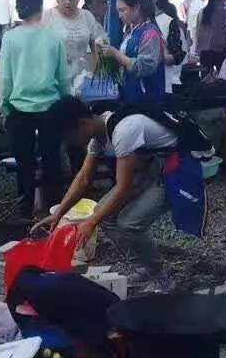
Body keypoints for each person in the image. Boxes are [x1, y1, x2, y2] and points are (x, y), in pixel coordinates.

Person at [40, 97, 181, 287]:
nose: (72, 144)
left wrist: (91, 222)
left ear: (82, 124)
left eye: (70, 138)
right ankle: (144, 268)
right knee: (103, 213)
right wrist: (58, 214)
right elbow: (83, 178)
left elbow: (123, 187)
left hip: (178, 170)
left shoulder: (123, 131)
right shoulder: (99, 135)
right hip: (152, 167)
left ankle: (161, 278)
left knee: (130, 223)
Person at [0, 0, 69, 218]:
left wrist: (4, 106)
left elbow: (6, 78)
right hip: (50, 106)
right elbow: (62, 77)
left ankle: (25, 207)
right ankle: (55, 209)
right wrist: (65, 103)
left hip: (18, 108)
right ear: (41, 6)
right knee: (52, 161)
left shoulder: (10, 38)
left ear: (18, 9)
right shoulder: (54, 37)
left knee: (24, 162)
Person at [103, 0, 165, 107]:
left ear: (136, 7)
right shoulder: (132, 31)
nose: (120, 15)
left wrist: (115, 54)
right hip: (131, 95)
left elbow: (143, 67)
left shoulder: (149, 33)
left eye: (123, 10)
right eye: (118, 11)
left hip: (146, 98)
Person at [43, 0, 105, 89]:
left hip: (82, 78)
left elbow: (99, 42)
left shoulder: (86, 16)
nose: (68, 2)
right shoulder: (48, 17)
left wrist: (99, 69)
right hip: (55, 79)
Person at [156, 0, 189, 93]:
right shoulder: (177, 29)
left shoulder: (170, 26)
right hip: (173, 80)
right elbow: (184, 59)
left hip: (166, 82)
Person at [194, 0, 226, 73]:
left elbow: (198, 31)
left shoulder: (202, 11)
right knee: (221, 77)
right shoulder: (222, 12)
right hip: (218, 49)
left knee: (205, 77)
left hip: (204, 49)